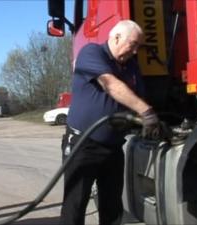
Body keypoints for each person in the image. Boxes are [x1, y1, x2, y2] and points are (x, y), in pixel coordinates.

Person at [60, 20, 160, 225]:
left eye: (138, 47)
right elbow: (110, 84)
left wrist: (144, 121)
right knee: (75, 204)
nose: (135, 51)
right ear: (116, 37)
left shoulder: (131, 65)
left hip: (113, 147)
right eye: (133, 44)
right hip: (82, 144)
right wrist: (146, 112)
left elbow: (138, 96)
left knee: (112, 206)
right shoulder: (91, 53)